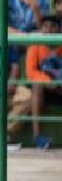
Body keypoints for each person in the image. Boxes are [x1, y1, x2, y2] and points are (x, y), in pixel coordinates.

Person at [27, 15, 62, 150]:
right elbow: (31, 72)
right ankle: (37, 136)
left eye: (53, 26)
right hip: (44, 90)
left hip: (59, 87)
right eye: (45, 26)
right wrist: (47, 80)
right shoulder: (36, 45)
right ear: (41, 29)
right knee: (37, 86)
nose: (49, 29)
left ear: (58, 29)